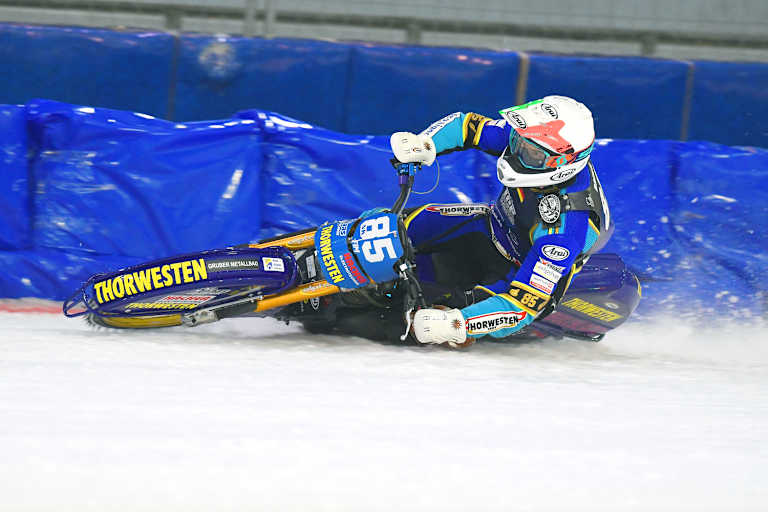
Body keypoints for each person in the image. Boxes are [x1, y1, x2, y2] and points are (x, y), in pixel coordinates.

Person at [294, 95, 612, 348]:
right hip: (489, 225)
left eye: (528, 151)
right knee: (401, 222)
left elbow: (524, 304)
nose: (515, 151)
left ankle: (332, 313)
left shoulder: (568, 229)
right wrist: (425, 144)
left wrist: (458, 324)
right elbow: (467, 125)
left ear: (560, 163)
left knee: (414, 320)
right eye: (518, 142)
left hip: (510, 273)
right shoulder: (532, 147)